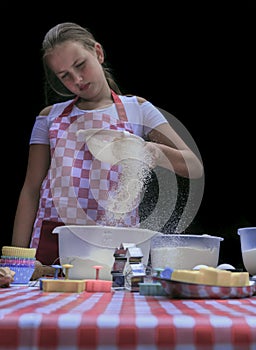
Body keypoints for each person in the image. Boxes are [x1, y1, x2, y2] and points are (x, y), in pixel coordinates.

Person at [11, 22, 204, 265]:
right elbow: (31, 189)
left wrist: (156, 151)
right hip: (54, 240)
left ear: (98, 53)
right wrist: (16, 259)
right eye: (65, 76)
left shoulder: (138, 110)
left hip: (115, 241)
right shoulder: (49, 117)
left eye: (80, 65)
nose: (78, 79)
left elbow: (194, 167)